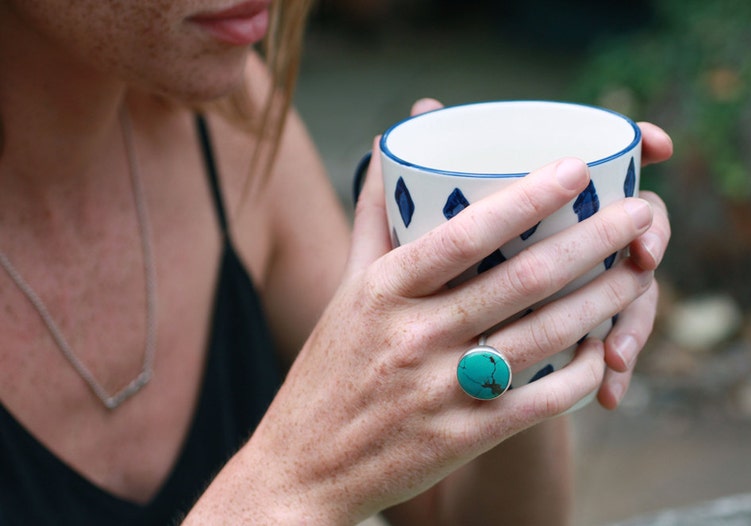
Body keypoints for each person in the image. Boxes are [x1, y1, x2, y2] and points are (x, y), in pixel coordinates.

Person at [0, 0, 673, 524]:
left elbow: (460, 517)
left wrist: (518, 304)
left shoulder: (233, 122)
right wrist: (292, 488)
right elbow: (309, 477)